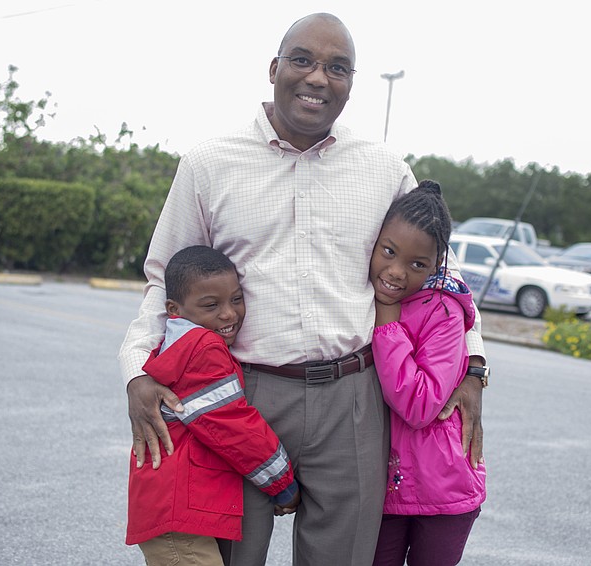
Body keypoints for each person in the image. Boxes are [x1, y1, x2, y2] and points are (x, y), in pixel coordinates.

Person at [118, 13, 489, 566]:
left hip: (355, 401)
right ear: (274, 69)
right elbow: (162, 277)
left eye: (336, 68)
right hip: (244, 398)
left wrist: (474, 365)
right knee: (234, 559)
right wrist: (136, 371)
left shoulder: (384, 169)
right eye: (303, 61)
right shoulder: (209, 163)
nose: (318, 77)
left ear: (350, 84)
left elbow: (439, 277)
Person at [126, 246, 300, 566]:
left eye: (236, 299)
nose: (229, 314)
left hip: (169, 510)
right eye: (211, 305)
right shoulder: (203, 348)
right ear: (173, 309)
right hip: (177, 516)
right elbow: (233, 426)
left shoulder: (179, 342)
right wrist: (282, 483)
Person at [369, 181, 486, 566]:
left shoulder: (443, 311)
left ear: (438, 265)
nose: (397, 272)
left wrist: (388, 325)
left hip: (443, 491)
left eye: (417, 264)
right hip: (383, 489)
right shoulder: (360, 293)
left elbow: (420, 404)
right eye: (389, 252)